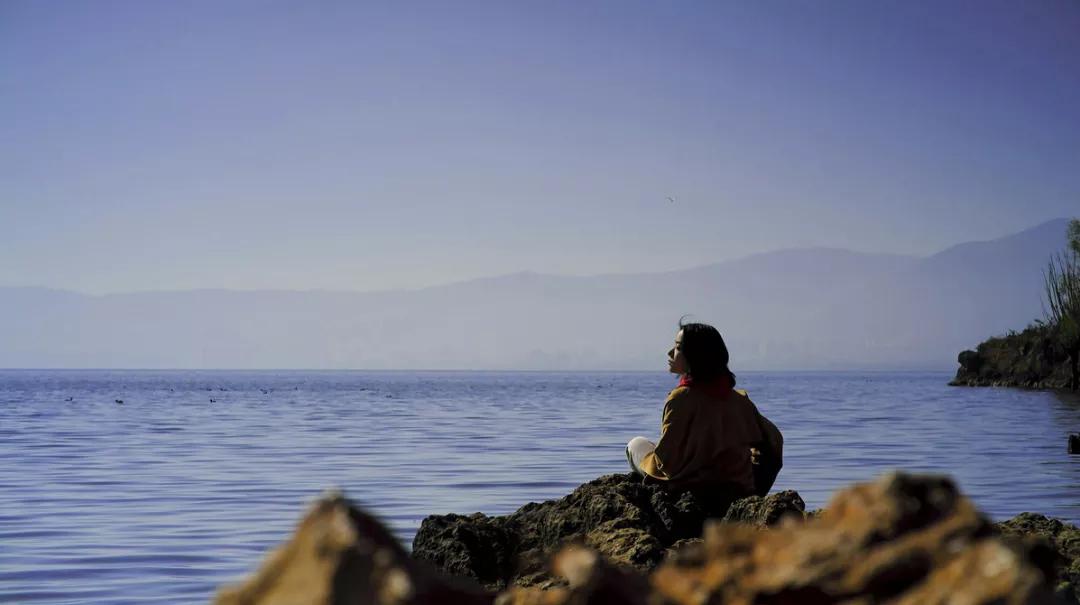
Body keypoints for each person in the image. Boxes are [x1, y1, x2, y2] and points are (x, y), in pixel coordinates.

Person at [626, 321, 783, 499]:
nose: (670, 353)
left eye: (677, 347)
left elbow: (666, 461)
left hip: (687, 491)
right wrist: (754, 484)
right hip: (735, 489)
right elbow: (774, 442)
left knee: (636, 444)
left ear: (695, 355)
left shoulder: (680, 398)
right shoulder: (740, 401)